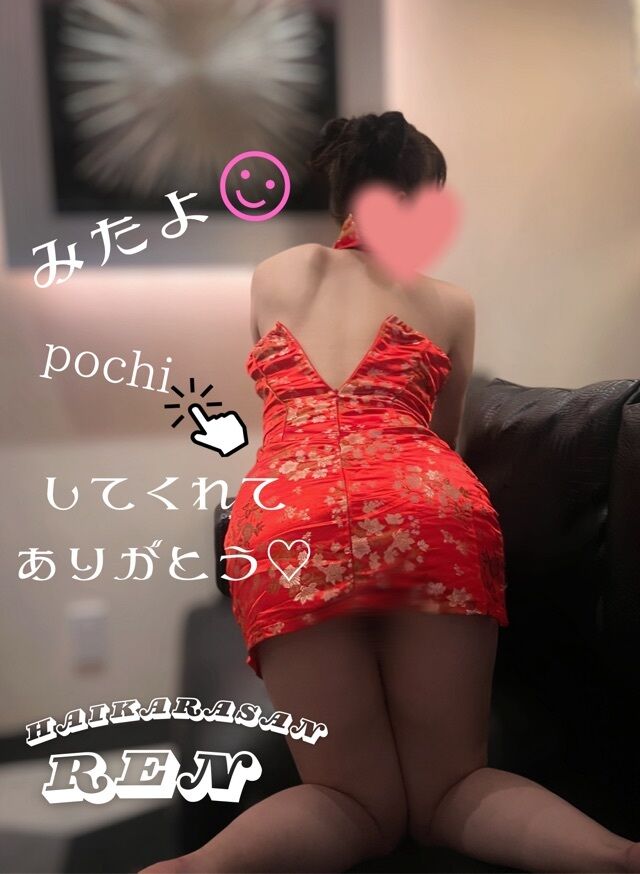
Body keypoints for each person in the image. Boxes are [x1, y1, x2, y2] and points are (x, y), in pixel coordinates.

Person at [141, 112, 640, 874]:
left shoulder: (274, 276)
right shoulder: (450, 302)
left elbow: (277, 416)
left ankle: (186, 870)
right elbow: (442, 436)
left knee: (349, 800)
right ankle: (619, 856)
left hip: (290, 518)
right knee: (453, 788)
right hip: (426, 507)